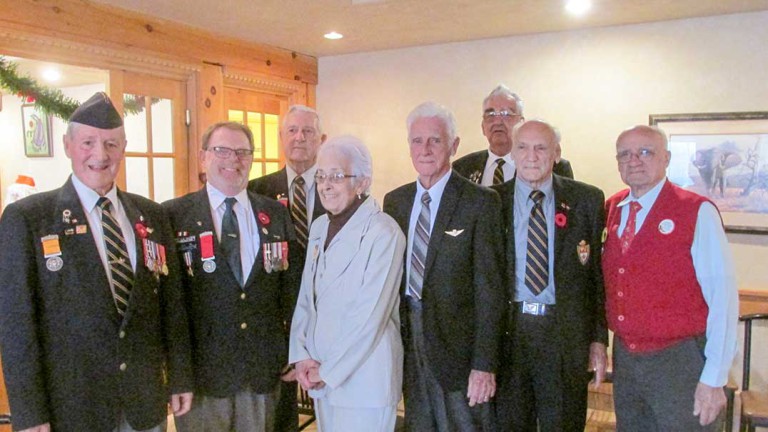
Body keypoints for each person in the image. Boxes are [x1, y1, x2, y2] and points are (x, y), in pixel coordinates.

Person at [0, 92, 193, 431]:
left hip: (143, 403)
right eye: (88, 142)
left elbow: (172, 306)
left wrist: (180, 376)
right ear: (67, 145)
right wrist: (30, 413)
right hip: (72, 407)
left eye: (111, 144)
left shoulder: (152, 214)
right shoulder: (28, 219)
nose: (100, 155)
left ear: (123, 147)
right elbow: (16, 326)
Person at [164, 122, 300, 432]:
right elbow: (171, 308)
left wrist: (297, 349)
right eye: (222, 151)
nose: (233, 160)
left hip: (262, 370)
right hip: (202, 377)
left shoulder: (275, 214)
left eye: (242, 152)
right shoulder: (173, 216)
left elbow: (291, 290)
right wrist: (177, 376)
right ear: (203, 157)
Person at [604, 125, 738, 431]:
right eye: (625, 154)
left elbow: (724, 298)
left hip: (680, 360)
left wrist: (714, 378)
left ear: (666, 158)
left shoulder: (696, 211)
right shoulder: (612, 209)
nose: (634, 160)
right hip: (626, 358)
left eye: (645, 152)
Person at [383, 102, 505, 431]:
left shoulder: (480, 202)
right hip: (410, 342)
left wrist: (484, 364)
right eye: (416, 140)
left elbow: (490, 290)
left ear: (453, 145)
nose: (424, 149)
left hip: (461, 352)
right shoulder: (395, 202)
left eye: (435, 140)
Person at [492, 119, 607, 431]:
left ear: (556, 153)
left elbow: (596, 275)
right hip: (509, 333)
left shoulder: (587, 201)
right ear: (512, 154)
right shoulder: (489, 201)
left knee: (564, 424)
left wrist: (598, 339)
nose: (531, 156)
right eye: (523, 148)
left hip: (563, 335)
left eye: (541, 148)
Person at [289, 135, 406, 431]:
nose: (326, 185)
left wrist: (327, 371)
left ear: (363, 182)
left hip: (364, 380)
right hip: (321, 371)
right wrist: (302, 356)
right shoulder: (319, 227)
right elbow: (307, 298)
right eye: (322, 176)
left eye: (337, 176)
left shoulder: (384, 232)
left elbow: (369, 317)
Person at [248, 104, 327, 432]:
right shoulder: (256, 190)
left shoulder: (338, 186)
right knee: (278, 416)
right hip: (275, 319)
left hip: (325, 316)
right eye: (292, 131)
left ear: (321, 139)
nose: (299, 138)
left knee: (330, 407)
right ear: (281, 137)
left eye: (307, 132)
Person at [452, 85, 573, 185]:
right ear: (483, 127)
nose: (497, 121)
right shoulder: (462, 167)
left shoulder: (554, 166)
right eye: (490, 115)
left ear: (521, 124)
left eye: (506, 114)